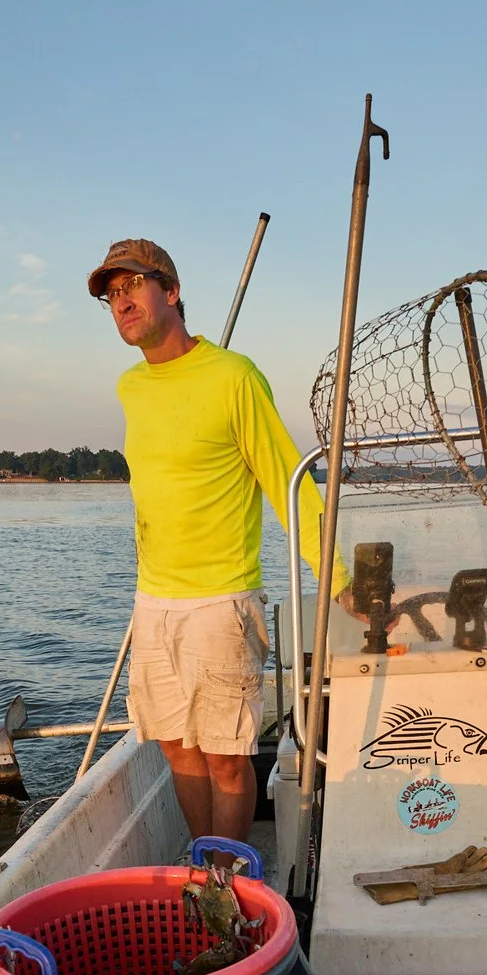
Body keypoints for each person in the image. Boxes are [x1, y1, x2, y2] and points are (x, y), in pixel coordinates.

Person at [89, 238, 326, 846]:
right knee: (177, 749)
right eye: (112, 295)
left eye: (133, 286)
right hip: (153, 601)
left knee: (224, 756)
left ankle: (232, 874)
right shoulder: (129, 387)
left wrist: (338, 576)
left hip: (220, 600)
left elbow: (285, 479)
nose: (121, 302)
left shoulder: (235, 376)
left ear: (170, 292)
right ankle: (205, 869)